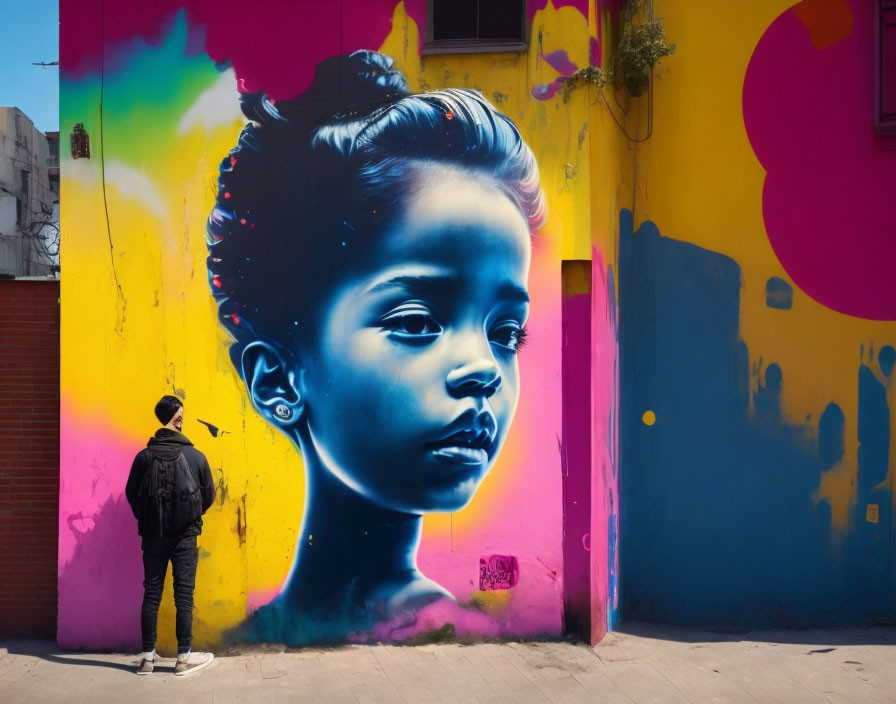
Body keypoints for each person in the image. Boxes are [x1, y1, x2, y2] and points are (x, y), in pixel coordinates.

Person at [206, 51, 545, 643]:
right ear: (276, 379)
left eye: (506, 333)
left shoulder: (453, 630)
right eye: (417, 322)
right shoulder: (261, 634)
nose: (483, 371)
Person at [125, 395, 216, 675]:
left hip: (153, 538)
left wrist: (149, 520)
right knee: (183, 597)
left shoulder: (143, 457)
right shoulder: (196, 456)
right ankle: (182, 660)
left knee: (151, 594)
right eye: (182, 415)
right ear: (177, 419)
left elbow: (131, 494)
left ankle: (147, 660)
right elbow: (208, 496)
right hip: (185, 538)